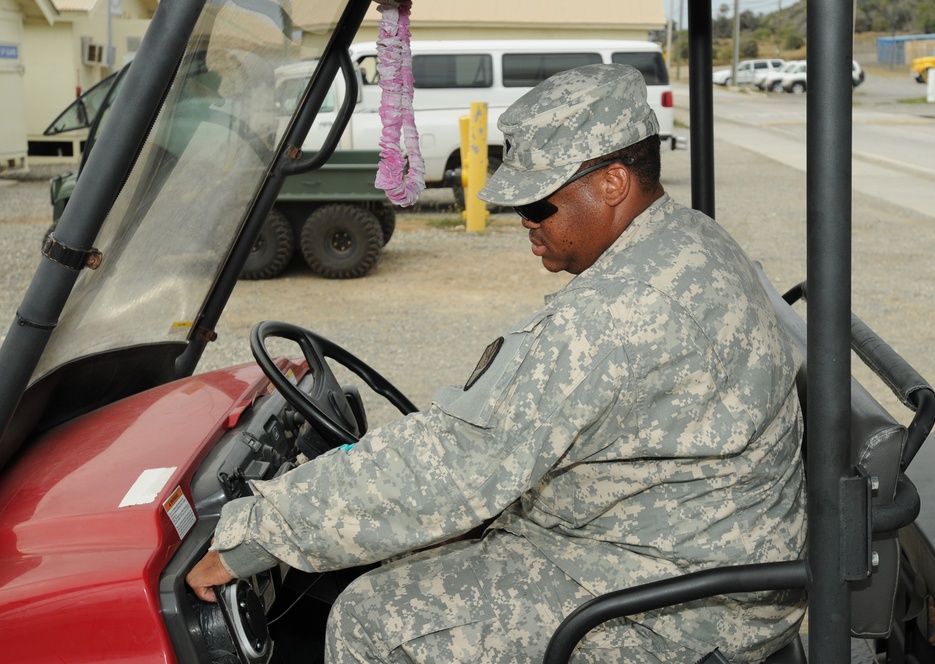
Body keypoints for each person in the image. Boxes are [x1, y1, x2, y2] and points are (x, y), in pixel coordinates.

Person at [187, 63, 807, 663]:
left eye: (538, 205)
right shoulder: (689, 237)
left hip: (676, 604)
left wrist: (258, 533)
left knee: (372, 619)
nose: (526, 225)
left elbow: (455, 463)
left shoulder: (616, 313)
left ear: (614, 184)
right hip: (704, 551)